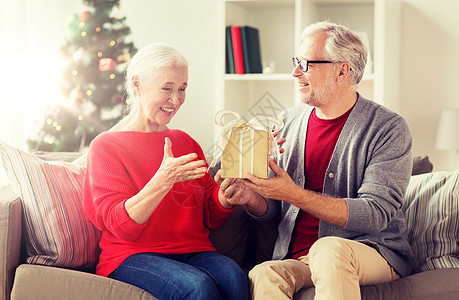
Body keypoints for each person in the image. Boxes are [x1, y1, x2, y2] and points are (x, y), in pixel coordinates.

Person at [216, 21, 413, 299]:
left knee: (328, 249)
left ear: (342, 70)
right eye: (296, 62)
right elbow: (277, 207)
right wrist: (253, 198)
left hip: (371, 252)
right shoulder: (287, 121)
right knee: (263, 273)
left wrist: (294, 194)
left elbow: (375, 214)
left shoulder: (388, 128)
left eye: (307, 64)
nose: (295, 72)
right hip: (302, 257)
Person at [83, 43, 249, 300]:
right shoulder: (107, 146)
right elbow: (121, 226)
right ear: (137, 85)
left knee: (234, 276)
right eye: (167, 88)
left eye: (182, 89)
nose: (176, 100)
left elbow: (209, 215)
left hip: (193, 250)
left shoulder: (185, 141)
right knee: (198, 286)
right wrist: (162, 181)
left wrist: (225, 198)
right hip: (132, 256)